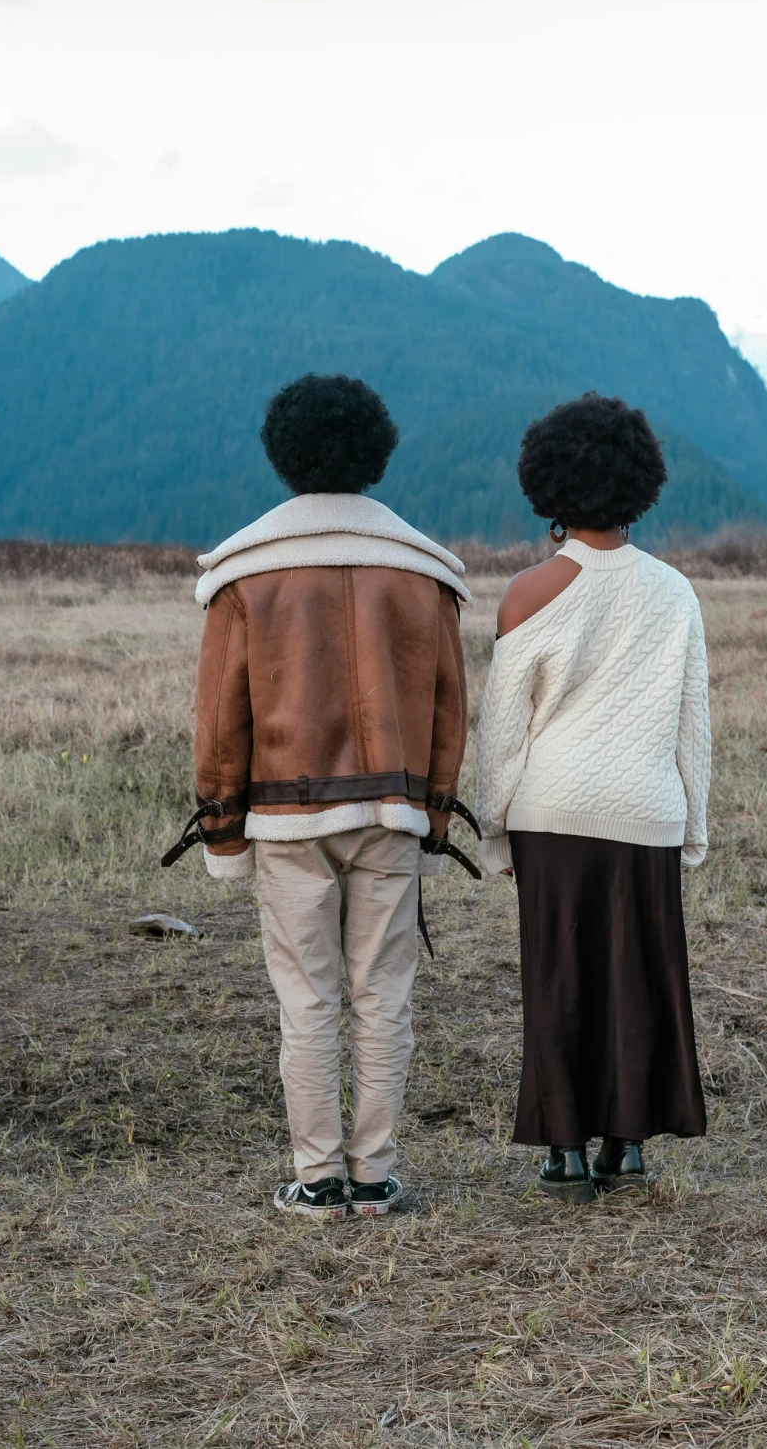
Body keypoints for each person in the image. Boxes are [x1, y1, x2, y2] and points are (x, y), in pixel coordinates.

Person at [167, 373, 472, 1220]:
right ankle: (375, 1178)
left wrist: (223, 834)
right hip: (392, 811)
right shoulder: (423, 570)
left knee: (306, 999)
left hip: (284, 816)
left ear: (283, 454)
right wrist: (434, 819)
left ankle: (317, 1178)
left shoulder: (244, 572)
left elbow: (219, 718)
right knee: (384, 995)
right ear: (375, 451)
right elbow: (450, 710)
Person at [473, 393, 710, 1201]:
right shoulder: (674, 593)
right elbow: (692, 724)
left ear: (548, 485)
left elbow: (501, 733)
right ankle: (629, 1145)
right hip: (646, 810)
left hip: (552, 814)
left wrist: (493, 831)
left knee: (558, 976)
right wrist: (694, 827)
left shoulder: (525, 593)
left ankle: (564, 1152)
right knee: (640, 978)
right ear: (639, 482)